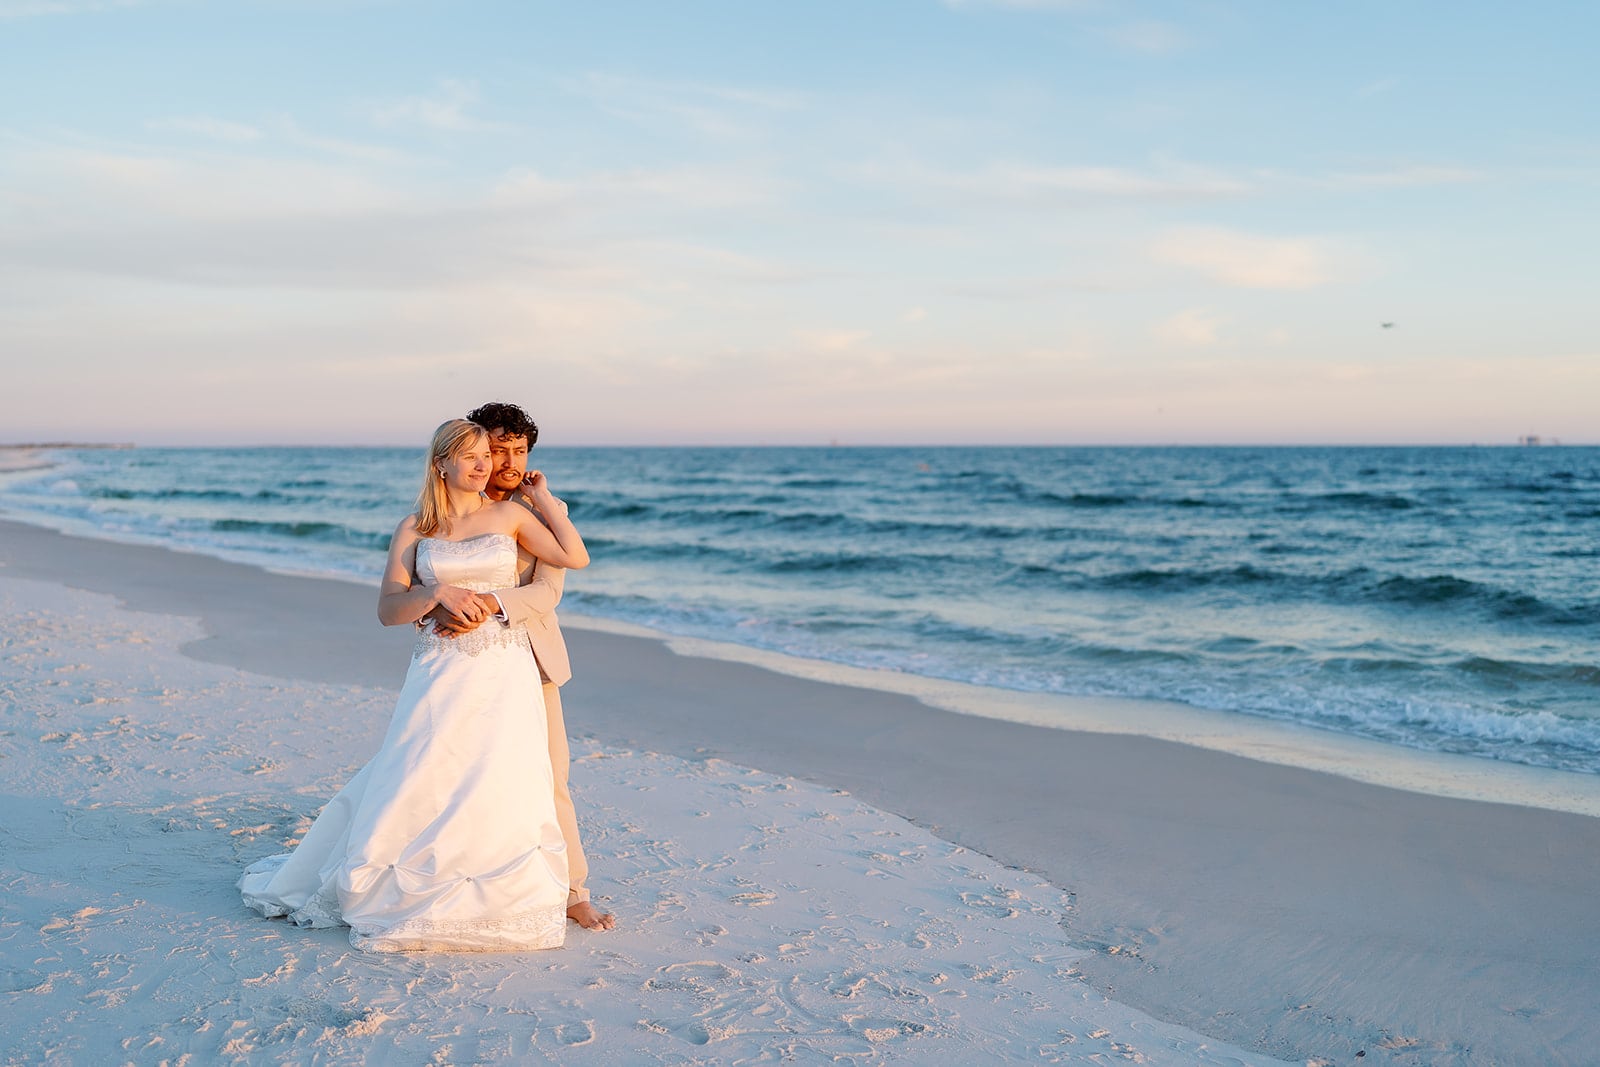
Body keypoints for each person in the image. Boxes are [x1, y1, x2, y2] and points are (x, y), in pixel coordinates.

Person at [238, 419, 590, 952]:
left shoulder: (519, 513)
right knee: (424, 766)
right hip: (440, 666)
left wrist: (541, 497)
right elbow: (387, 610)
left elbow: (567, 569)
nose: (488, 464)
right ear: (440, 463)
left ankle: (564, 892)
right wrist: (438, 593)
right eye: (475, 455)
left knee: (512, 775)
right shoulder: (414, 527)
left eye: (493, 455)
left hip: (509, 663)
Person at [425, 401, 616, 932]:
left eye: (519, 450)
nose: (507, 459)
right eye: (497, 448)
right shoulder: (451, 508)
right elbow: (422, 573)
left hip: (530, 661)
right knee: (459, 774)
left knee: (551, 776)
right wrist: (442, 603)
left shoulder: (544, 510)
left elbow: (548, 590)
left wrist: (489, 603)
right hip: (461, 663)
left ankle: (573, 891)